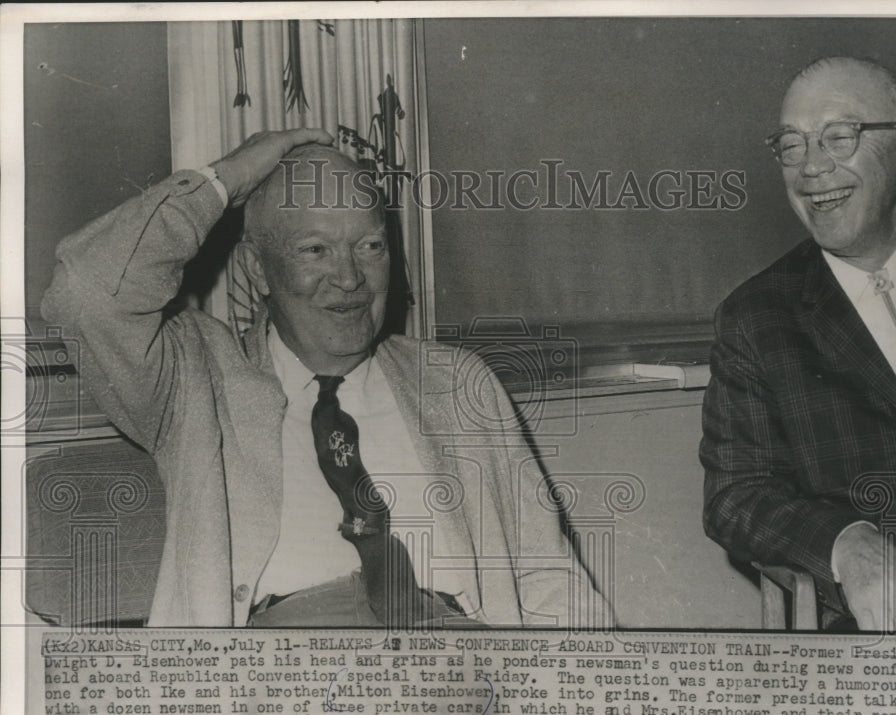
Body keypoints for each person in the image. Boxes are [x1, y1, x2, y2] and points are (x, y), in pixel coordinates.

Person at [42, 129, 611, 629]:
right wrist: (224, 180)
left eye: (370, 247)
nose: (349, 277)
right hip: (279, 692)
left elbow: (549, 579)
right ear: (256, 269)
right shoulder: (196, 379)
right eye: (315, 249)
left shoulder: (457, 384)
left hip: (461, 676)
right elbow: (86, 293)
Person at [700, 57, 896, 633]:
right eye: (791, 146)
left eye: (839, 137)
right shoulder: (756, 317)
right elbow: (736, 495)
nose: (813, 168)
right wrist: (849, 545)